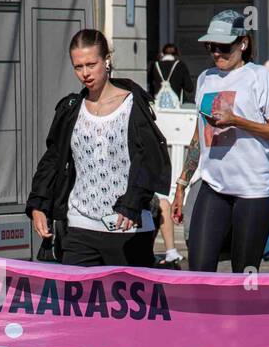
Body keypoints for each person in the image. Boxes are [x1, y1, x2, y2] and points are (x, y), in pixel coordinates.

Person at [27, 28, 170, 268]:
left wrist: (133, 201)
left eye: (91, 64)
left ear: (106, 60)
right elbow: (53, 158)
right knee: (75, 303)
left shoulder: (133, 106)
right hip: (80, 226)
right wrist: (39, 205)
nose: (85, 73)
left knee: (127, 306)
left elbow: (150, 161)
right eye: (78, 66)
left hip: (127, 228)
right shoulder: (71, 108)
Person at [167, 9, 269, 273]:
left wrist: (238, 121)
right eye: (211, 46)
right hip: (213, 187)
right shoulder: (205, 79)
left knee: (244, 275)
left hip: (253, 191)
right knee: (199, 269)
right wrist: (182, 184)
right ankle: (205, 316)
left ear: (242, 44)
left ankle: (243, 315)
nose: (217, 53)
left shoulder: (259, 76)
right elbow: (198, 135)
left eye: (223, 47)